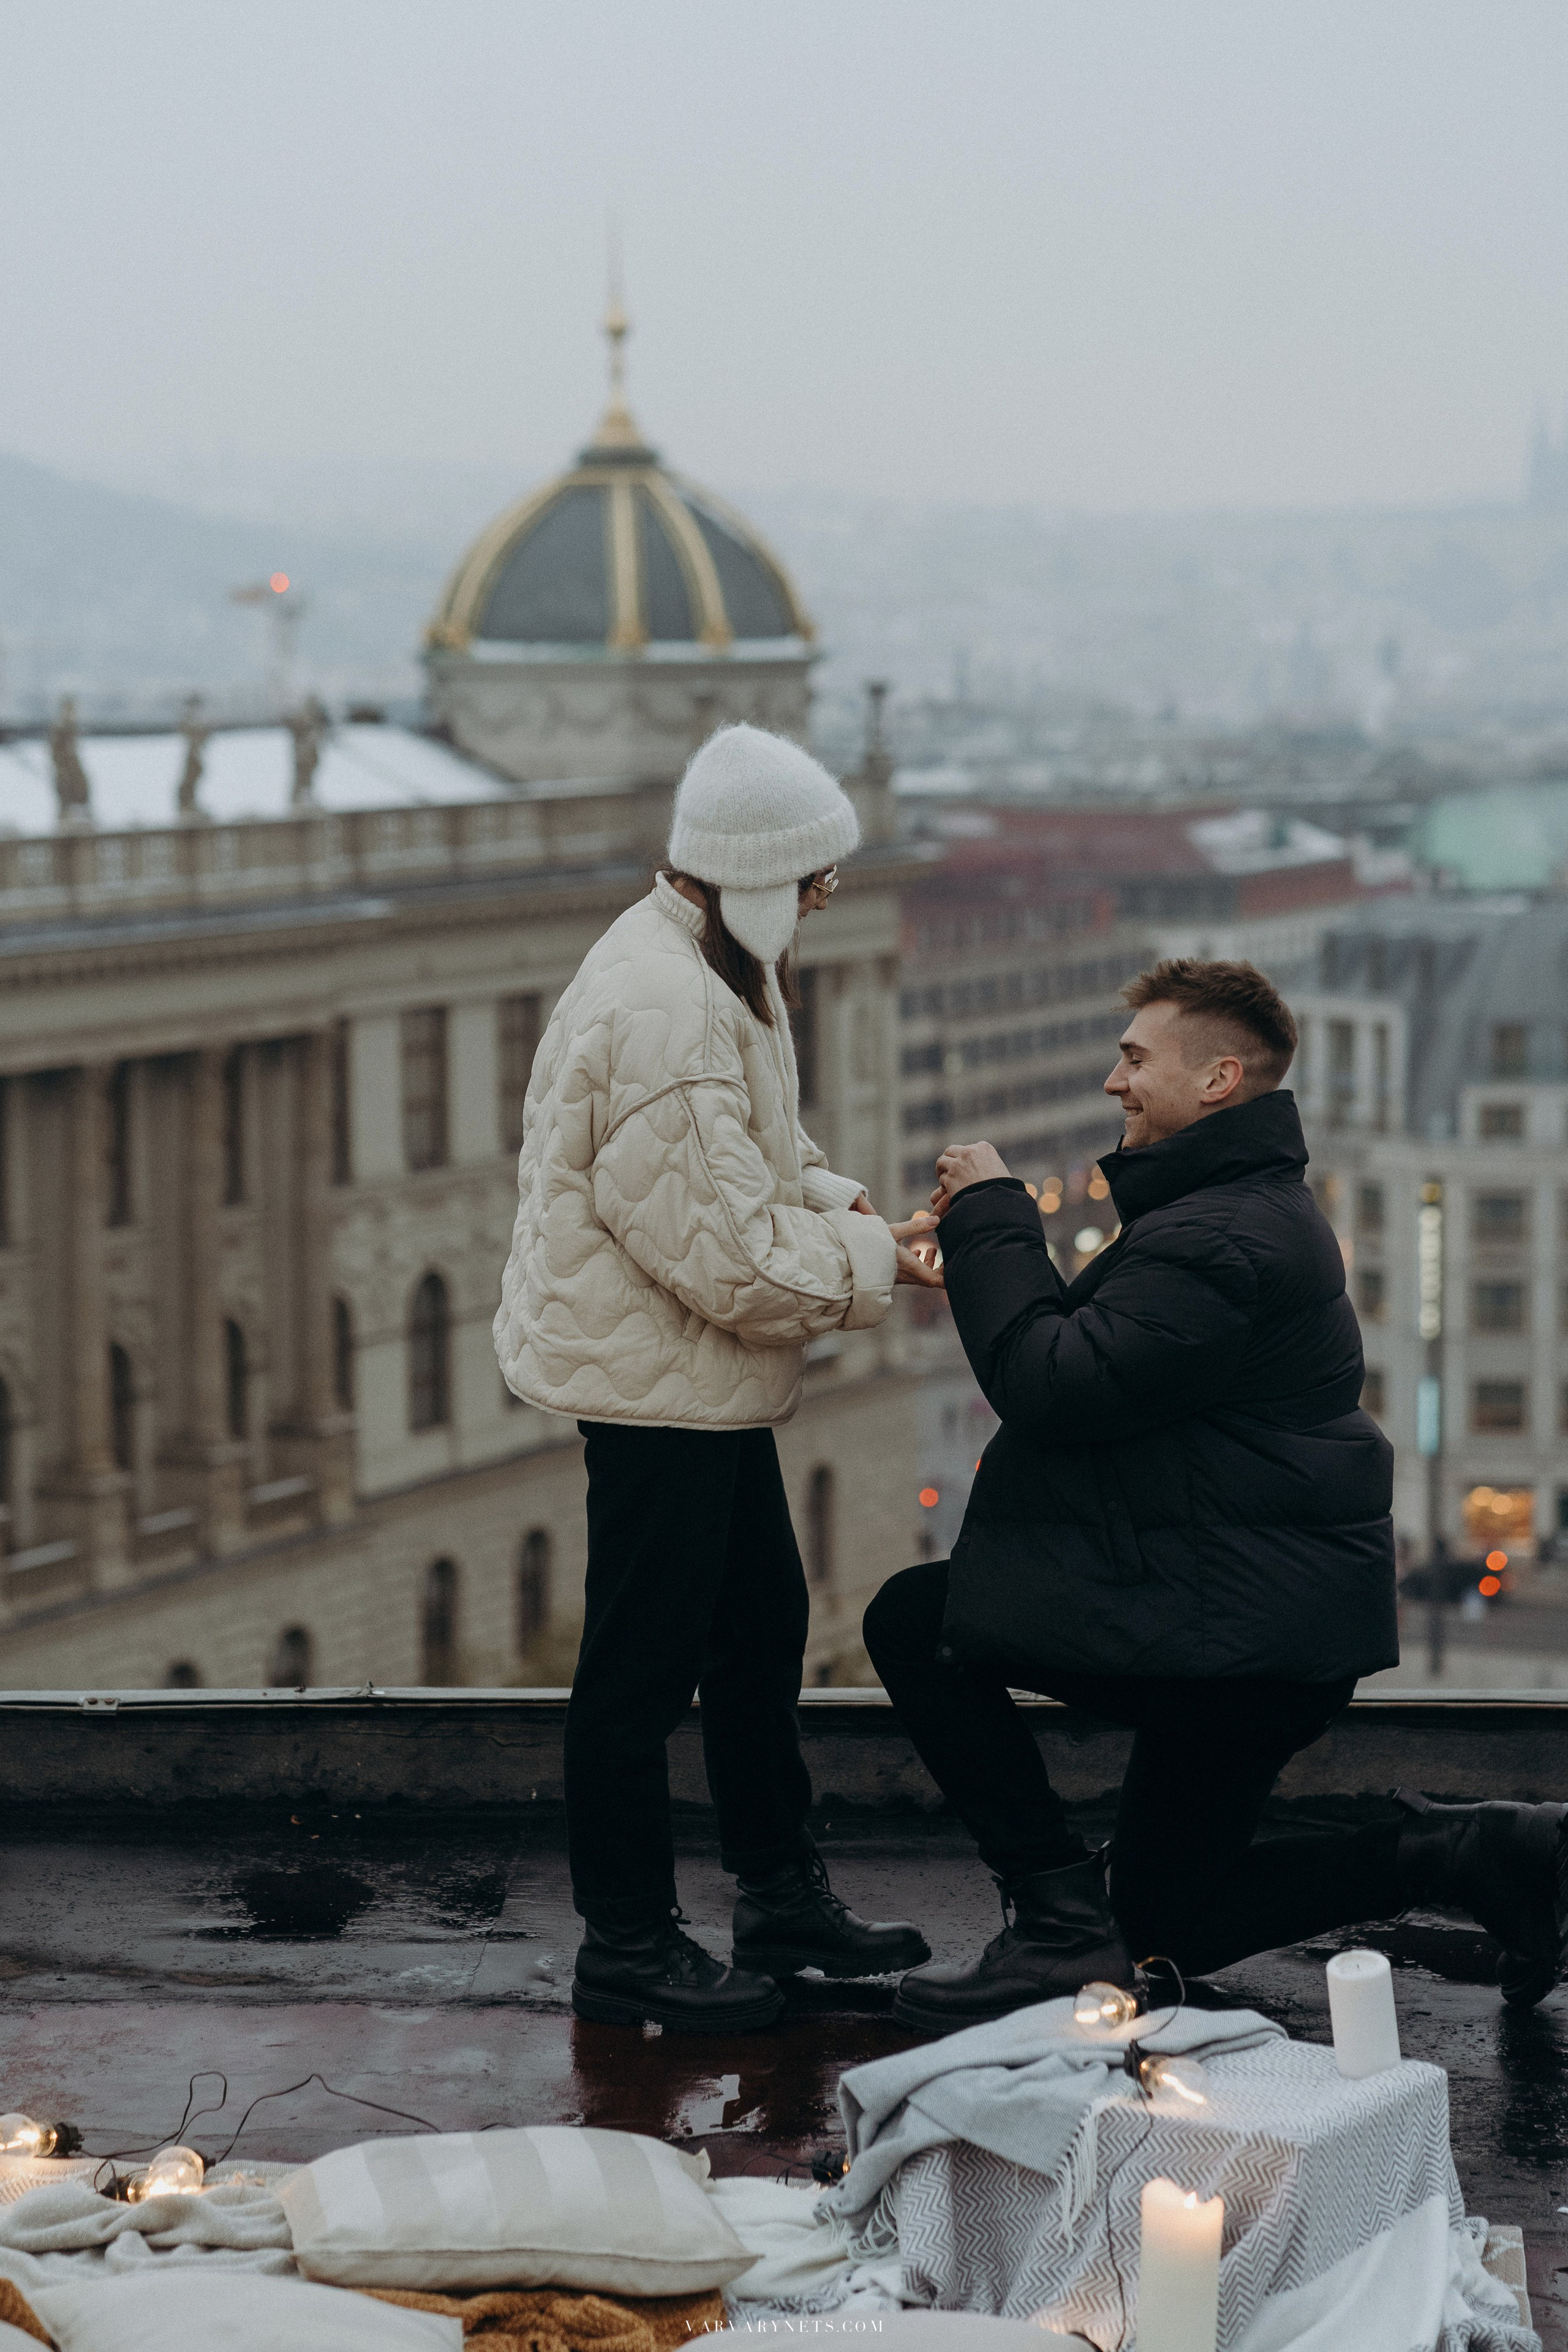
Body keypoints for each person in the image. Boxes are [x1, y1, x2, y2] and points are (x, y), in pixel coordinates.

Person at [866, 957, 1568, 2032]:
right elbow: (1108, 1358)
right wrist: (976, 1264)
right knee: (1170, 1921)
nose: (1114, 1081)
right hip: (1251, 1617)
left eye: (1137, 1058)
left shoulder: (1222, 1237)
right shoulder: (1231, 1212)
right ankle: (1470, 1852)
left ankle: (1056, 1922)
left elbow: (1051, 1384)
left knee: (916, 1622)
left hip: (1236, 1630)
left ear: (1219, 1080)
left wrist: (992, 1210)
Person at [497, 723, 940, 2033]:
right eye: (811, 877)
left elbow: (759, 1155)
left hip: (692, 1379)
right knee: (637, 1674)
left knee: (756, 1635)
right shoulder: (673, 1009)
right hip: (655, 1386)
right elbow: (734, 1256)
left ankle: (777, 1896)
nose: (826, 899)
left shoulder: (709, 964)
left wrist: (857, 1209)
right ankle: (627, 1944)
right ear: (749, 874)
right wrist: (884, 1266)